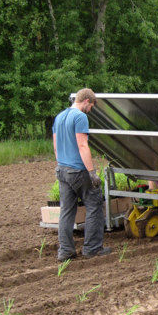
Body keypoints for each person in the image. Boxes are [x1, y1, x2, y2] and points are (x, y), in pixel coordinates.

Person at [52, 88, 111, 261]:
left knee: (66, 210)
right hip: (78, 170)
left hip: (62, 169)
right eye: (91, 106)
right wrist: (92, 173)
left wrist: (62, 163)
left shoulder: (60, 117)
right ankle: (92, 248)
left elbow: (55, 146)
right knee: (95, 204)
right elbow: (83, 145)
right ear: (86, 101)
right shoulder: (80, 117)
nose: (90, 110)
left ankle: (65, 251)